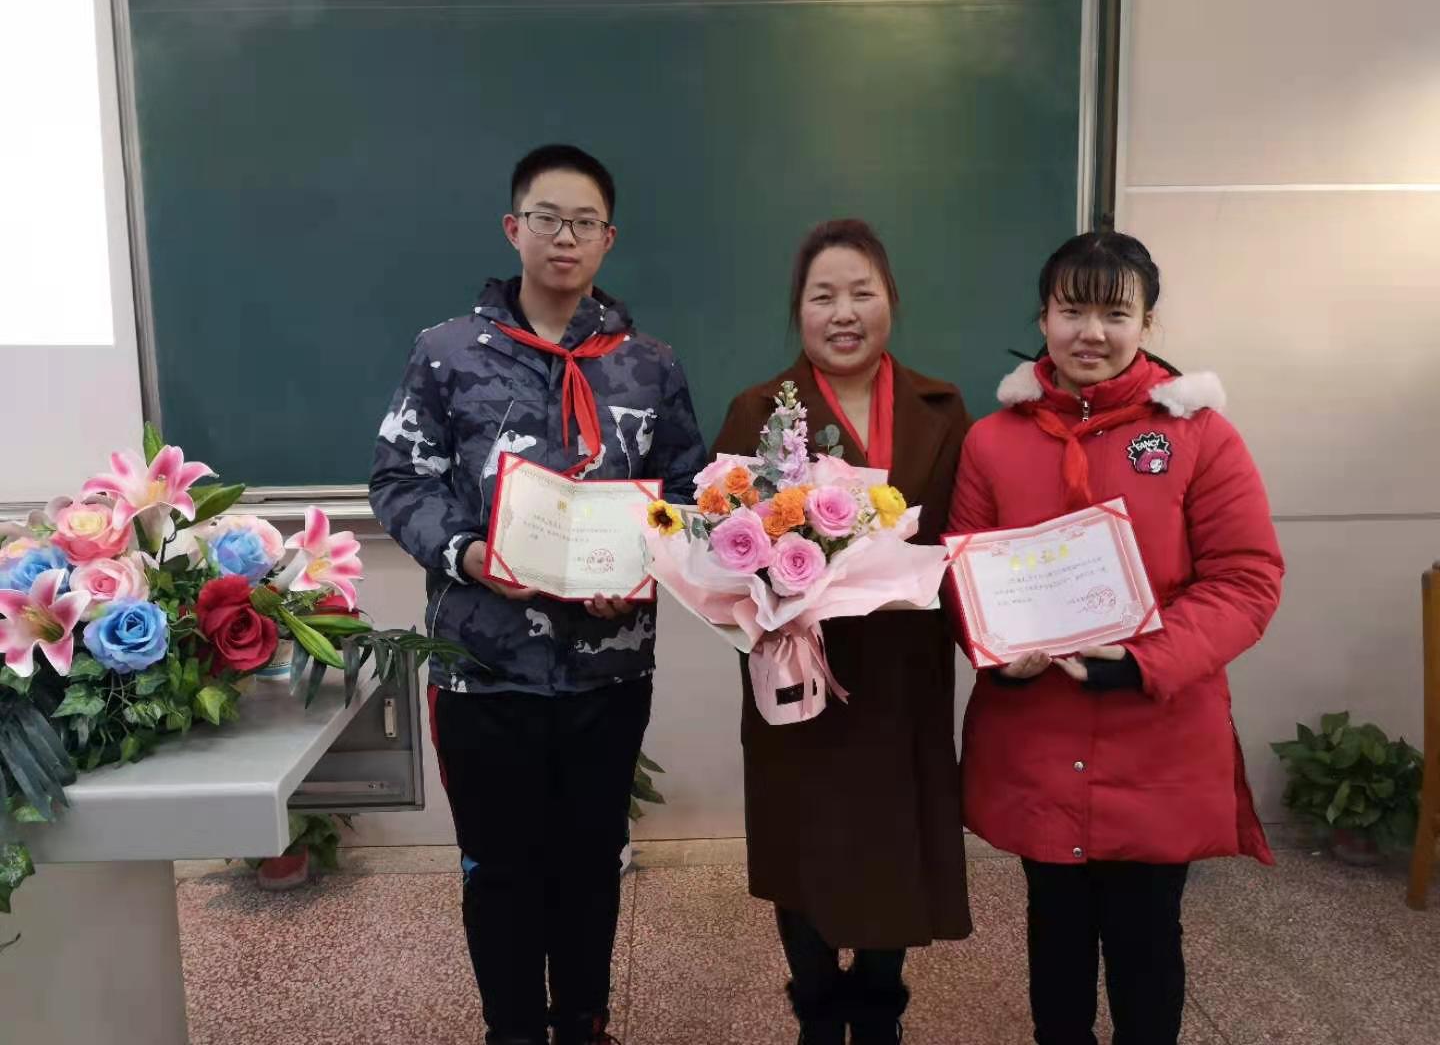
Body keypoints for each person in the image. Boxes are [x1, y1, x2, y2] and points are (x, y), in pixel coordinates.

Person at [370, 144, 706, 1045]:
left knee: (592, 862)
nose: (565, 237)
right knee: (500, 870)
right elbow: (400, 480)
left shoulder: (649, 366)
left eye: (584, 222)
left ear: (608, 240)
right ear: (514, 228)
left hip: (607, 670)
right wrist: (468, 551)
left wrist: (641, 567)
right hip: (483, 667)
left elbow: (688, 496)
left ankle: (584, 1022)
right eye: (548, 218)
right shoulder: (445, 354)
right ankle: (512, 1028)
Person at [948, 231, 1284, 1045]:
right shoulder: (992, 441)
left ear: (1147, 324)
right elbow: (966, 574)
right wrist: (997, 649)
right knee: (1055, 929)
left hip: (1159, 734)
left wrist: (1143, 660)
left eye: (1114, 313)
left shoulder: (1200, 435)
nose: (1090, 332)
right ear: (1043, 318)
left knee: (1146, 938)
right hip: (1037, 730)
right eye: (1072, 311)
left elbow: (1246, 579)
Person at [711, 219, 973, 1045]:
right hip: (801, 674)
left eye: (862, 292)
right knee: (805, 845)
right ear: (799, 310)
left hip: (904, 674)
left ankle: (882, 1007)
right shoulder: (758, 412)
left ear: (892, 300)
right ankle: (819, 1011)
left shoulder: (942, 407)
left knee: (897, 842)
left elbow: (969, 537)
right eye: (823, 296)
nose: (844, 312)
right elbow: (721, 549)